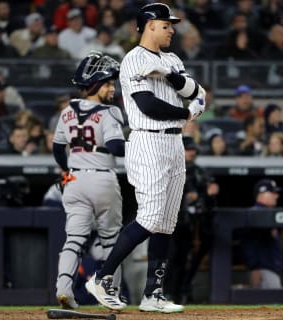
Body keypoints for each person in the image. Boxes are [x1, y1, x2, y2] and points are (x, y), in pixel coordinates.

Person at [85, 2, 206, 313]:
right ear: (150, 25)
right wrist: (186, 113)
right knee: (150, 218)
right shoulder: (132, 60)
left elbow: (198, 92)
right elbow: (148, 105)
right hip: (148, 141)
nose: (171, 29)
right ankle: (101, 277)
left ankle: (153, 294)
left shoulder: (172, 58)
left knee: (166, 224)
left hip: (174, 144)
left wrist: (169, 73)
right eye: (166, 24)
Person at [52, 51, 126, 310]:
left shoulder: (67, 111)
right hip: (102, 179)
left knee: (73, 239)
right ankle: (110, 292)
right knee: (111, 240)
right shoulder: (110, 112)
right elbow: (117, 147)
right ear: (94, 84)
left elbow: (57, 149)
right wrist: (138, 145)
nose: (111, 87)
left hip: (74, 180)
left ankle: (63, 288)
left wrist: (67, 170)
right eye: (107, 83)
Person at [165, 136, 219, 303]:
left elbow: (208, 200)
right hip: (172, 222)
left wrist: (206, 194)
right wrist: (185, 197)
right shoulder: (169, 169)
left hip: (192, 223)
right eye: (188, 149)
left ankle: (180, 293)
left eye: (193, 149)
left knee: (184, 259)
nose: (191, 152)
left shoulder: (199, 172)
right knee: (171, 258)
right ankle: (166, 293)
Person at [239, 179, 283, 288]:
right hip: (263, 272)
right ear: (262, 193)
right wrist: (255, 268)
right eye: (273, 193)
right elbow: (248, 244)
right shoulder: (255, 214)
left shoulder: (266, 214)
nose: (276, 196)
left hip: (270, 270)